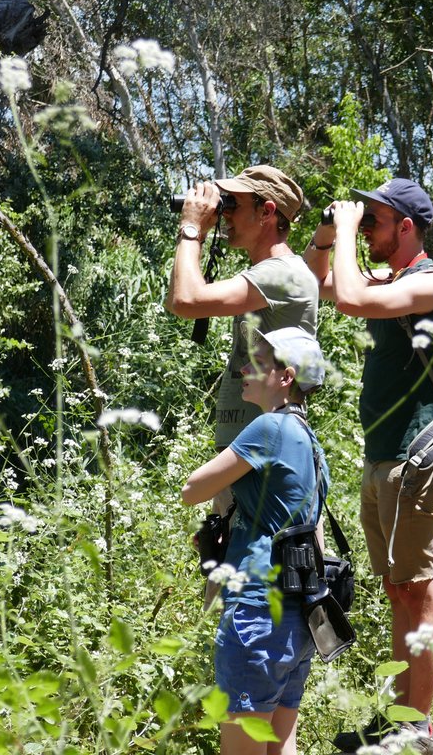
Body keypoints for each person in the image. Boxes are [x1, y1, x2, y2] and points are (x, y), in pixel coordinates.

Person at [304, 178, 433, 755]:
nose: (367, 229)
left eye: (376, 220)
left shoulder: (430, 285)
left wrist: (344, 230)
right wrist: (328, 229)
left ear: (407, 227)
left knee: (416, 588)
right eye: (364, 221)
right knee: (397, 588)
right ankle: (398, 715)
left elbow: (347, 297)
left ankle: (419, 722)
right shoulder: (394, 280)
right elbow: (323, 282)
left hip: (416, 454)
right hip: (382, 454)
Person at [169, 164, 320, 606]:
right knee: (227, 571)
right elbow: (181, 296)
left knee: (257, 580)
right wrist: (196, 232)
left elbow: (187, 301)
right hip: (246, 444)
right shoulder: (262, 275)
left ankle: (246, 662)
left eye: (234, 205)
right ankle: (225, 662)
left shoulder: (282, 273)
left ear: (268, 212)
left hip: (263, 446)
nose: (226, 212)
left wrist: (193, 230)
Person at [181, 327, 329, 755]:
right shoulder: (310, 440)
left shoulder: (269, 428)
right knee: (280, 746)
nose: (244, 368)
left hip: (257, 610)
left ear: (285, 377)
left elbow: (193, 488)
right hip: (297, 614)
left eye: (259, 362)